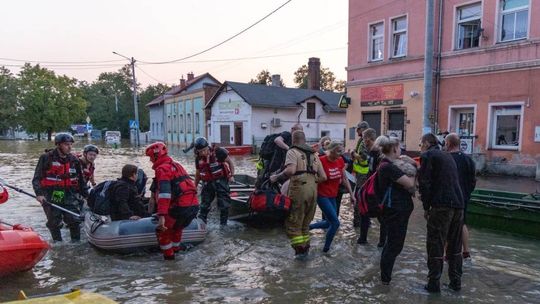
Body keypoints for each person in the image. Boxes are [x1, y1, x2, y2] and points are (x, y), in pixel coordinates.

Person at [418, 133, 465, 293]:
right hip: (458, 204)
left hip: (441, 206)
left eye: (420, 144)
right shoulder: (447, 156)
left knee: (435, 243)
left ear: (426, 143)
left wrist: (426, 207)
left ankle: (433, 284)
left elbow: (424, 183)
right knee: (455, 245)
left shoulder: (428, 155)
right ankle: (455, 283)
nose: (420, 147)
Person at [270, 130, 326, 258]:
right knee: (305, 225)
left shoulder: (292, 151)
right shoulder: (315, 155)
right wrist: (311, 181)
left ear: (293, 141)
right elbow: (323, 177)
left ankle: (300, 255)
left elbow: (290, 171)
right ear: (304, 140)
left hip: (299, 190)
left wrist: (276, 177)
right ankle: (306, 250)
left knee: (293, 224)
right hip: (313, 190)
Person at [371, 136, 417, 285]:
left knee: (393, 245)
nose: (401, 150)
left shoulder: (387, 165)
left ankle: (385, 277)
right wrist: (414, 166)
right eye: (400, 147)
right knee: (393, 246)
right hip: (395, 211)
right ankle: (385, 280)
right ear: (394, 149)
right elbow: (410, 184)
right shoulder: (388, 167)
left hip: (396, 211)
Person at [146, 142, 200, 260]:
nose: (150, 161)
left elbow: (165, 194)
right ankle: (176, 251)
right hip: (193, 205)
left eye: (150, 157)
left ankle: (169, 261)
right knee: (177, 228)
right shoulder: (176, 165)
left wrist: (162, 215)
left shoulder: (162, 169)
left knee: (162, 231)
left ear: (156, 156)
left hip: (180, 207)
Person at [32, 133, 87, 242]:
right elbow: (37, 178)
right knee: (54, 220)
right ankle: (58, 244)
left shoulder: (74, 160)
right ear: (58, 145)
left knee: (74, 219)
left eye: (71, 144)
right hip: (55, 193)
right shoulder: (46, 158)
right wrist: (39, 194)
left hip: (69, 193)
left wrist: (87, 195)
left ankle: (76, 244)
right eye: (66, 144)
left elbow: (81, 181)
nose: (69, 147)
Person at [309, 141, 355, 253]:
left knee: (328, 223)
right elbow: (312, 177)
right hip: (322, 195)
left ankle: (308, 227)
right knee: (335, 223)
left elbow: (344, 179)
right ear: (332, 150)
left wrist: (352, 195)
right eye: (339, 151)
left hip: (332, 196)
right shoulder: (321, 160)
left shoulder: (340, 160)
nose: (341, 154)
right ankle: (326, 250)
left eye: (342, 151)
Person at [445, 133, 476, 262]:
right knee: (462, 223)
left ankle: (446, 254)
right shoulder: (469, 160)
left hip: (449, 197)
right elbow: (473, 180)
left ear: (448, 144)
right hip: (464, 196)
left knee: (446, 225)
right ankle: (466, 251)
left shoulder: (445, 159)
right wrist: (467, 193)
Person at [193, 137, 235, 225]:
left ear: (208, 147)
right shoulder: (198, 159)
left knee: (224, 205)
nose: (203, 153)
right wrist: (194, 187)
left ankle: (223, 225)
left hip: (221, 181)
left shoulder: (219, 152)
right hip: (207, 183)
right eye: (200, 151)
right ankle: (202, 224)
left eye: (204, 150)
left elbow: (230, 162)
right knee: (204, 205)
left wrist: (231, 175)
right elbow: (198, 174)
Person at [357, 128, 387, 247]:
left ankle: (363, 239)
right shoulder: (378, 154)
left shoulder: (375, 154)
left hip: (372, 189)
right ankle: (381, 242)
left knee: (365, 213)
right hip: (376, 189)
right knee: (381, 217)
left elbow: (373, 171)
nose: (363, 141)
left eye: (364, 139)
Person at [350, 121, 370, 227]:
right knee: (362, 197)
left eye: (358, 129)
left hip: (363, 175)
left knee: (359, 197)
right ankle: (364, 220)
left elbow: (363, 158)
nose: (356, 131)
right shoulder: (362, 140)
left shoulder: (364, 142)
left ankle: (359, 221)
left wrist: (353, 154)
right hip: (360, 174)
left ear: (362, 129)